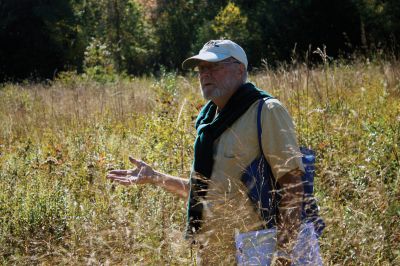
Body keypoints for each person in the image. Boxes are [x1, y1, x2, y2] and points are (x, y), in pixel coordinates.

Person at [107, 40, 307, 265]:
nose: (205, 74)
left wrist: (284, 255)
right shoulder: (209, 125)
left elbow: (293, 187)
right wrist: (155, 178)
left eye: (213, 66)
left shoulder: (266, 110)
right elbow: (206, 193)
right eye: (201, 68)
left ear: (240, 69)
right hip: (215, 252)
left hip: (258, 250)